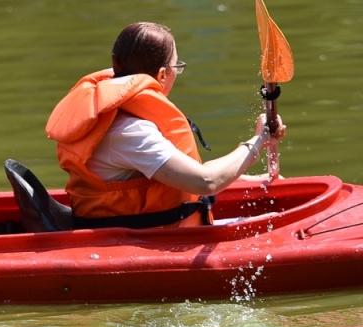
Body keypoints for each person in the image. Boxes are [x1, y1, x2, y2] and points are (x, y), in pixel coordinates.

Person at [45, 22, 287, 228]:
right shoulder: (130, 132)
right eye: (176, 67)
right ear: (162, 75)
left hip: (139, 227)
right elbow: (206, 182)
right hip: (140, 240)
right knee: (272, 223)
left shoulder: (113, 116)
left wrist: (249, 178)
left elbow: (170, 176)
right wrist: (259, 140)